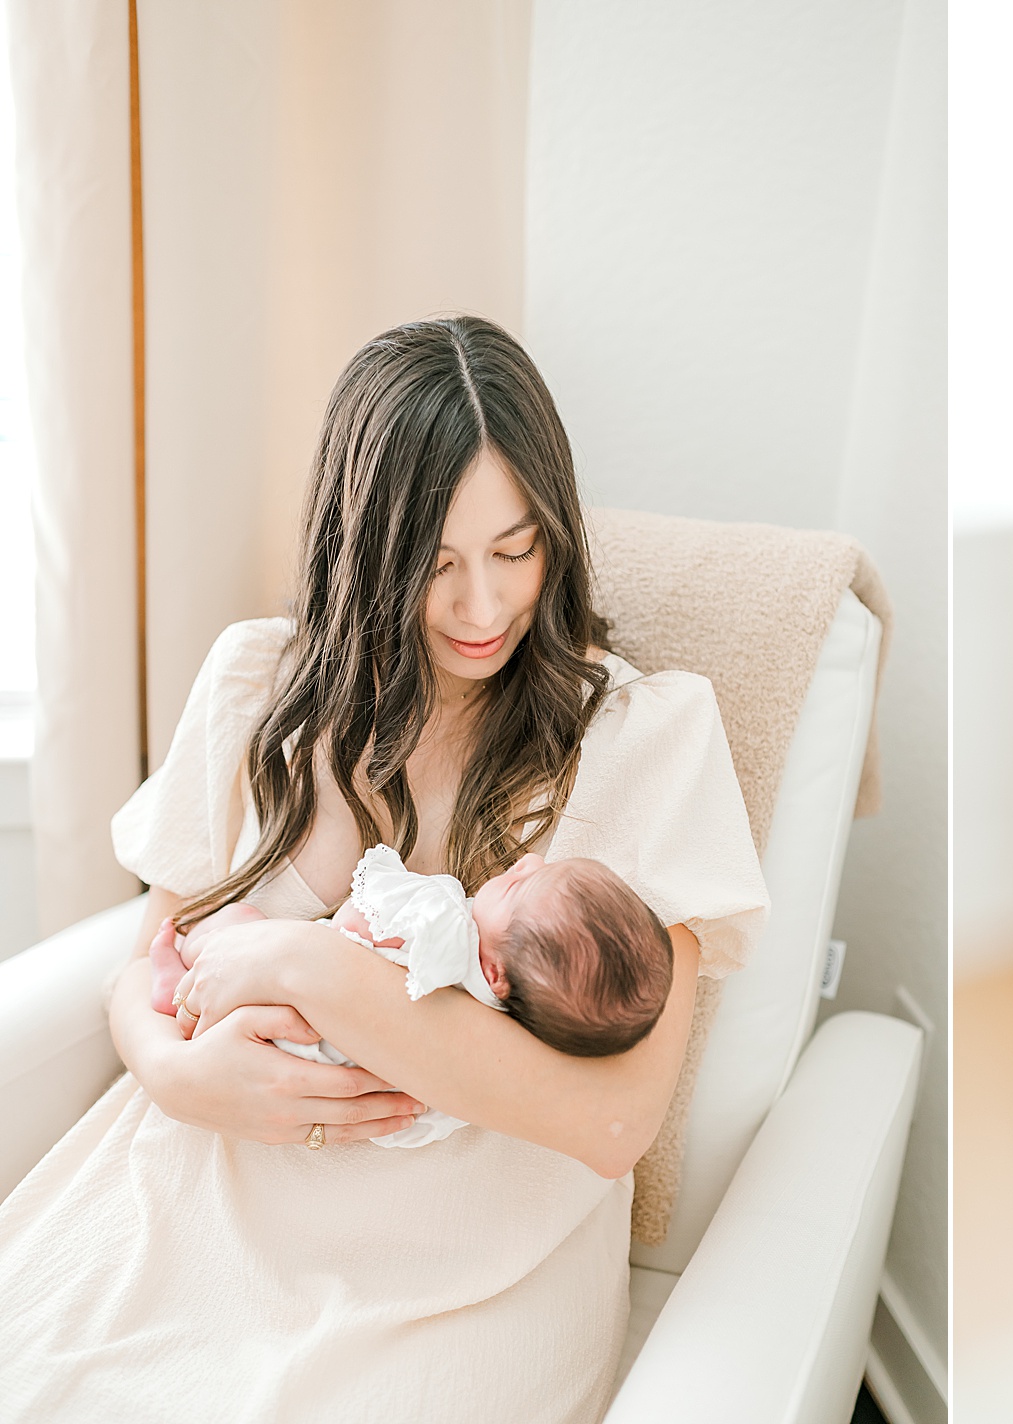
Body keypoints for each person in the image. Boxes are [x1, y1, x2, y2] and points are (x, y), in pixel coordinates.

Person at [0, 315, 769, 1422]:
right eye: (436, 563)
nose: (483, 607)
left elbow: (614, 1122)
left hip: (460, 1277)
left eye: (517, 549)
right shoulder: (254, 683)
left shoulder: (647, 733)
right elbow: (145, 969)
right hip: (195, 1195)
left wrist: (314, 968)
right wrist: (171, 1071)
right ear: (361, 548)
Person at [148, 844, 676, 1148]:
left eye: (516, 888)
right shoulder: (508, 1030)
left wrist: (315, 944)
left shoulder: (447, 925)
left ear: (495, 972)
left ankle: (179, 978)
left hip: (294, 1030)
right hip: (330, 1075)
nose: (528, 861)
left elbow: (358, 918)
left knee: (242, 923)